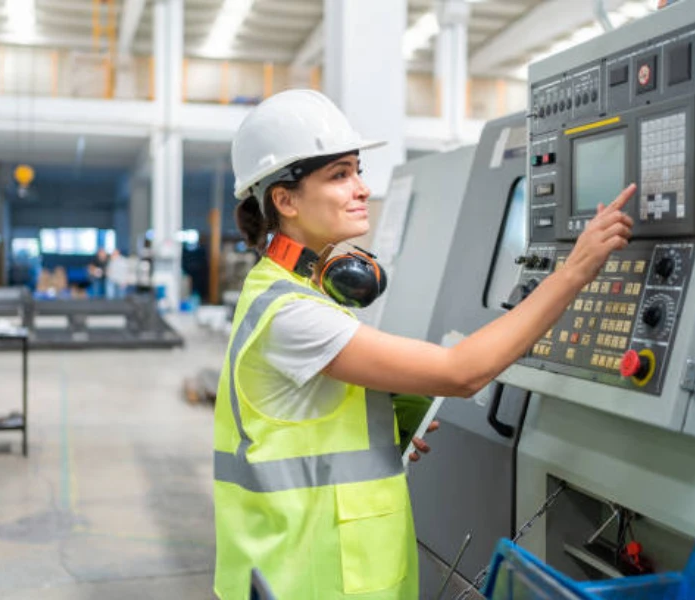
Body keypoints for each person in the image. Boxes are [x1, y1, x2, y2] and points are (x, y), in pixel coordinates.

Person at [215, 89, 635, 599]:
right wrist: (574, 272)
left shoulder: (295, 288)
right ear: (285, 199)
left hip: (330, 569)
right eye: (339, 175)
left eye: (358, 170)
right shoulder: (291, 312)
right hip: (311, 578)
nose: (361, 189)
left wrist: (380, 429)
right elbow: (462, 372)